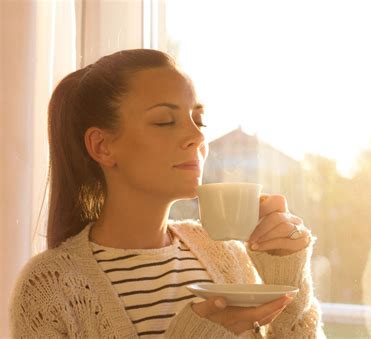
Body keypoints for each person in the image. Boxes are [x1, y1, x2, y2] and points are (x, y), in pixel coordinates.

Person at [9, 49, 325, 338]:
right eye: (164, 121)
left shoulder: (227, 257)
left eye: (199, 120)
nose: (196, 136)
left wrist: (288, 274)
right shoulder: (48, 287)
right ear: (102, 147)